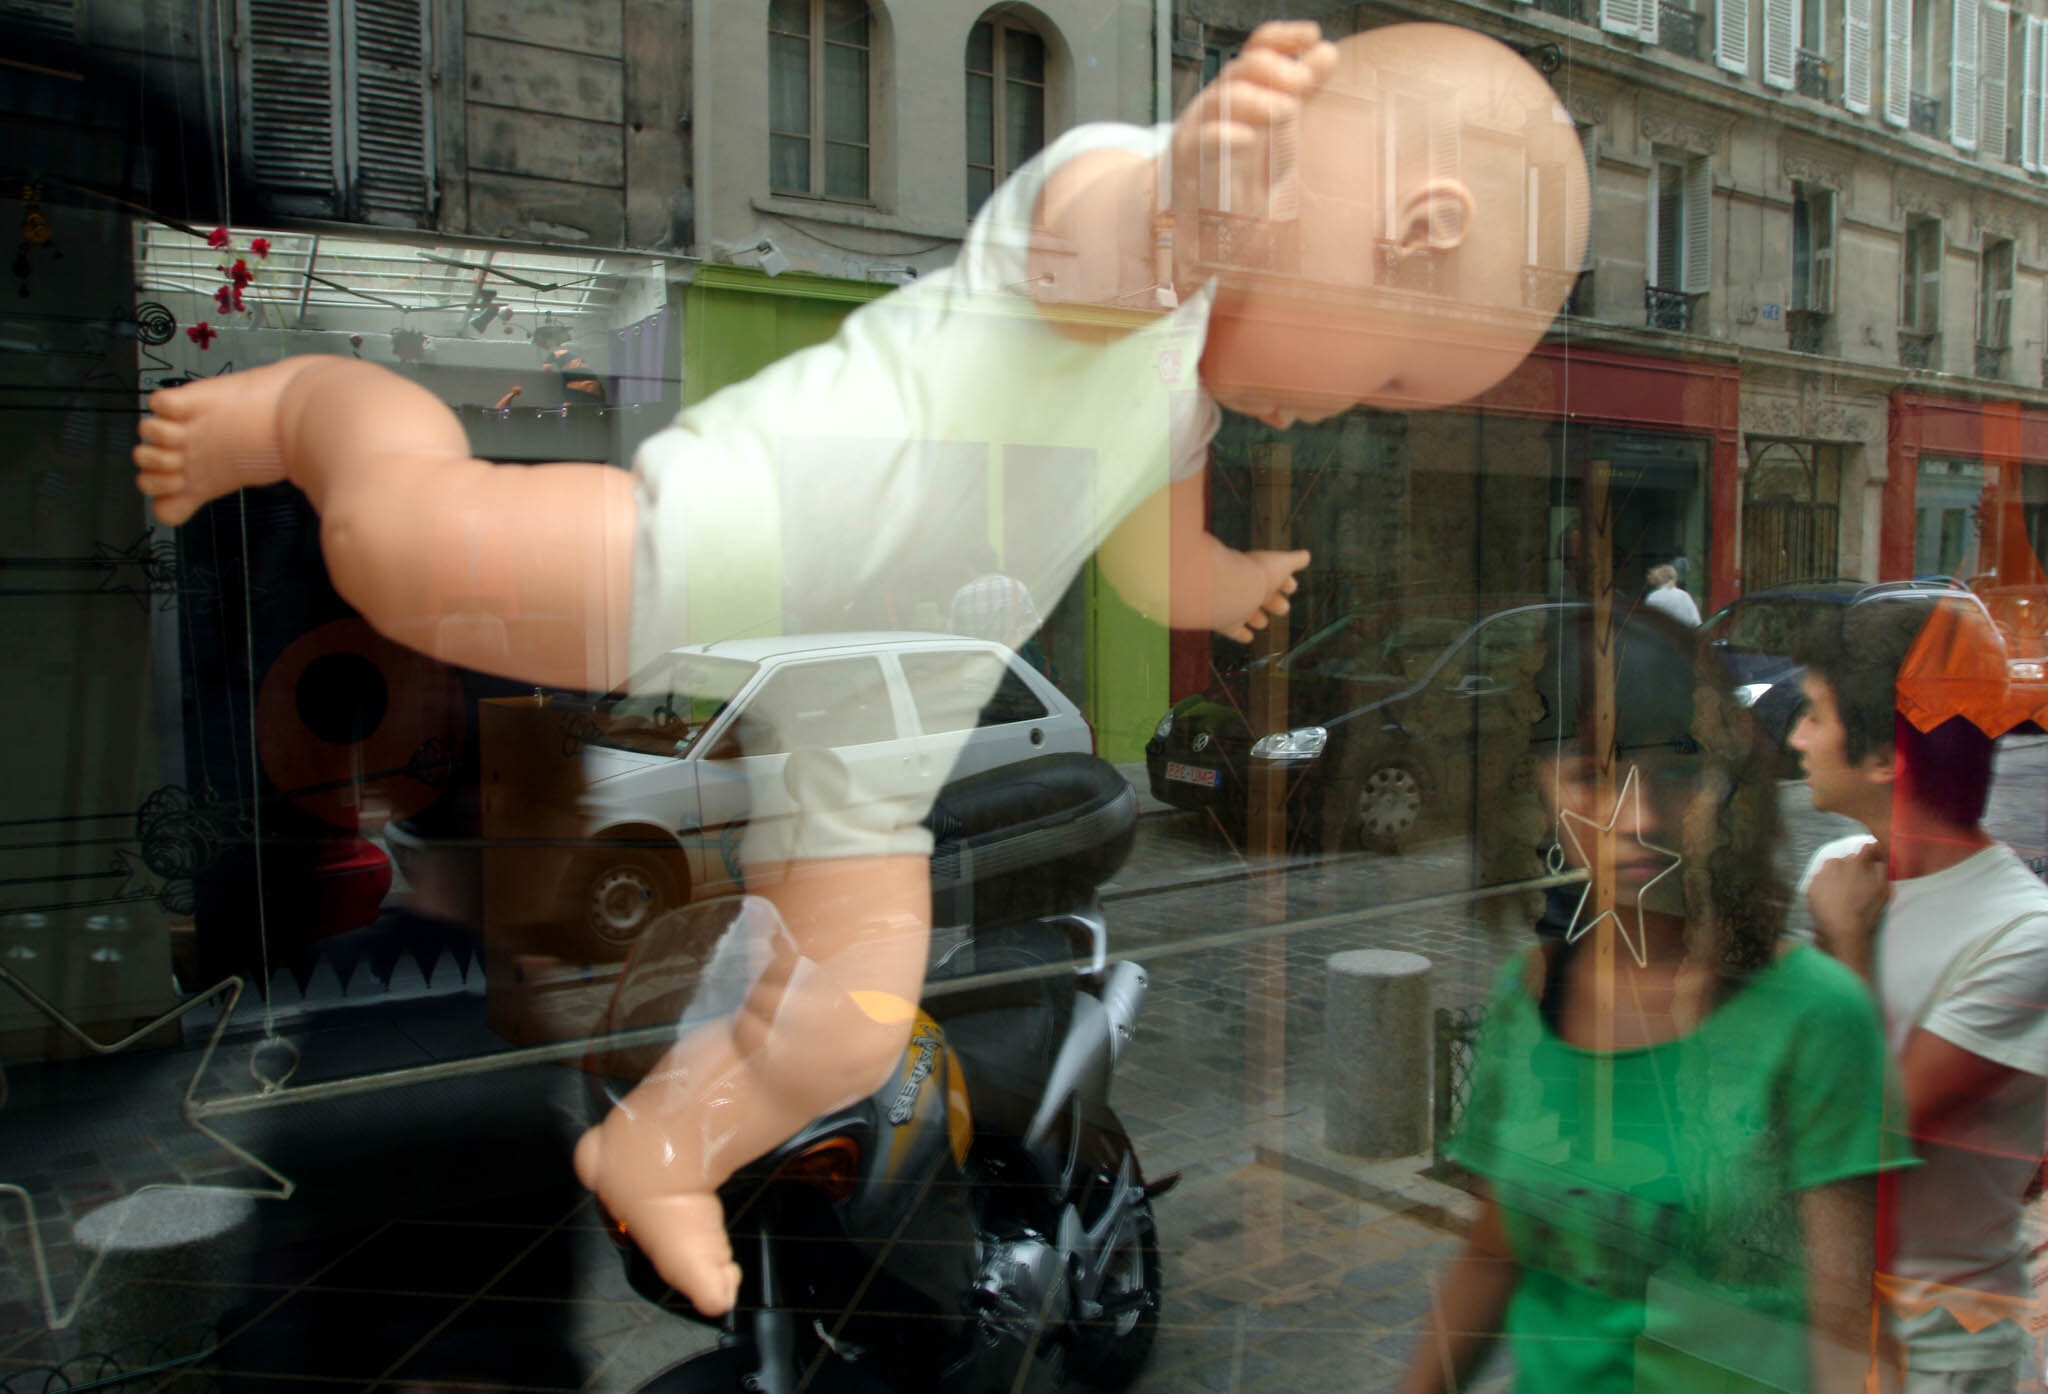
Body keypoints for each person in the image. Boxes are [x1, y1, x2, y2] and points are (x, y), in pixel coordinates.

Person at [132, 19, 1589, 1319]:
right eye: (1392, 374)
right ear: (1409, 224)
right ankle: (333, 405)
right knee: (407, 555)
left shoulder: (1189, 404)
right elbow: (1113, 239)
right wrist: (1197, 184)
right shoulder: (1112, 196)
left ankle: (663, 1149)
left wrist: (1220, 581)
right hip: (747, 545)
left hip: (888, 705)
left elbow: (1153, 549)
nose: (1346, 408)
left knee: (842, 1016)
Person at [1403, 608, 1908, 1394]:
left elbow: (1846, 1334)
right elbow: (1495, 1253)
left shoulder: (1815, 1019)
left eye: (1672, 771)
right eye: (1593, 777)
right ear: (1535, 793)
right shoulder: (1524, 1001)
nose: (1637, 819)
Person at [1793, 594, 2048, 1391]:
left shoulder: (2022, 933)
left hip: (1940, 1354)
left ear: (1884, 757)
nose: (1797, 740)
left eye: (1813, 715)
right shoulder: (1837, 873)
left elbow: (1873, 1139)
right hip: (1814, 1326)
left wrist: (1844, 945)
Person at [1643, 561, 1701, 626]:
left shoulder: (1653, 597)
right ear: (1675, 578)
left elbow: (1649, 623)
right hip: (1683, 634)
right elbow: (1696, 622)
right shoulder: (1684, 596)